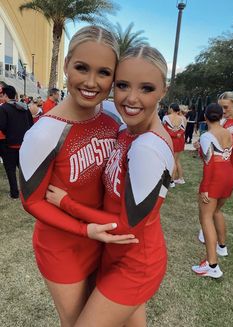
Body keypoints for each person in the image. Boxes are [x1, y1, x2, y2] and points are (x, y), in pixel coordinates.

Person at [46, 45, 175, 327]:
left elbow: (128, 227)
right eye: (123, 85)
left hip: (134, 264)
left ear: (163, 91)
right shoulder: (126, 131)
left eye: (146, 88)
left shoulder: (147, 147)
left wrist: (67, 203)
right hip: (113, 254)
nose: (131, 98)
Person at [19, 26, 138, 327]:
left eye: (103, 72)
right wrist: (86, 230)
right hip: (63, 248)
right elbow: (32, 202)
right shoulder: (44, 133)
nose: (90, 82)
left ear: (114, 77)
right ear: (66, 64)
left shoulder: (114, 114)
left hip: (106, 241)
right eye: (81, 68)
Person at [192, 103, 233, 278]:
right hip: (229, 174)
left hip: (215, 177)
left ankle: (212, 265)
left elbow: (209, 164)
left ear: (206, 117)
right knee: (216, 211)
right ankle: (222, 247)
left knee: (206, 217)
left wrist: (204, 188)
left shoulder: (207, 135)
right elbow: (221, 155)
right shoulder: (227, 132)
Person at [198, 92, 233, 246]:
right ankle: (220, 245)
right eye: (220, 108)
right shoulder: (224, 124)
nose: (222, 111)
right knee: (214, 211)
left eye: (225, 107)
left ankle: (213, 258)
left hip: (225, 170)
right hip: (226, 170)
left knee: (207, 213)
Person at [0, 85, 33, 198]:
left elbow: (2, 126)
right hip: (24, 144)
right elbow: (31, 124)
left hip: (9, 145)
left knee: (10, 170)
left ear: (5, 95)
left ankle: (14, 193)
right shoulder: (25, 107)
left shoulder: (4, 108)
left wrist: (9, 133)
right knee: (25, 169)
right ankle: (31, 190)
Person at [162, 103, 186, 187]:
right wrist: (178, 134)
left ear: (171, 109)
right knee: (176, 160)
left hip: (171, 140)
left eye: (169, 108)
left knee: (171, 161)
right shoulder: (181, 118)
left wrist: (174, 134)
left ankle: (171, 181)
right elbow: (183, 130)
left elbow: (164, 129)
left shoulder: (166, 117)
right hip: (179, 140)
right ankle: (177, 178)